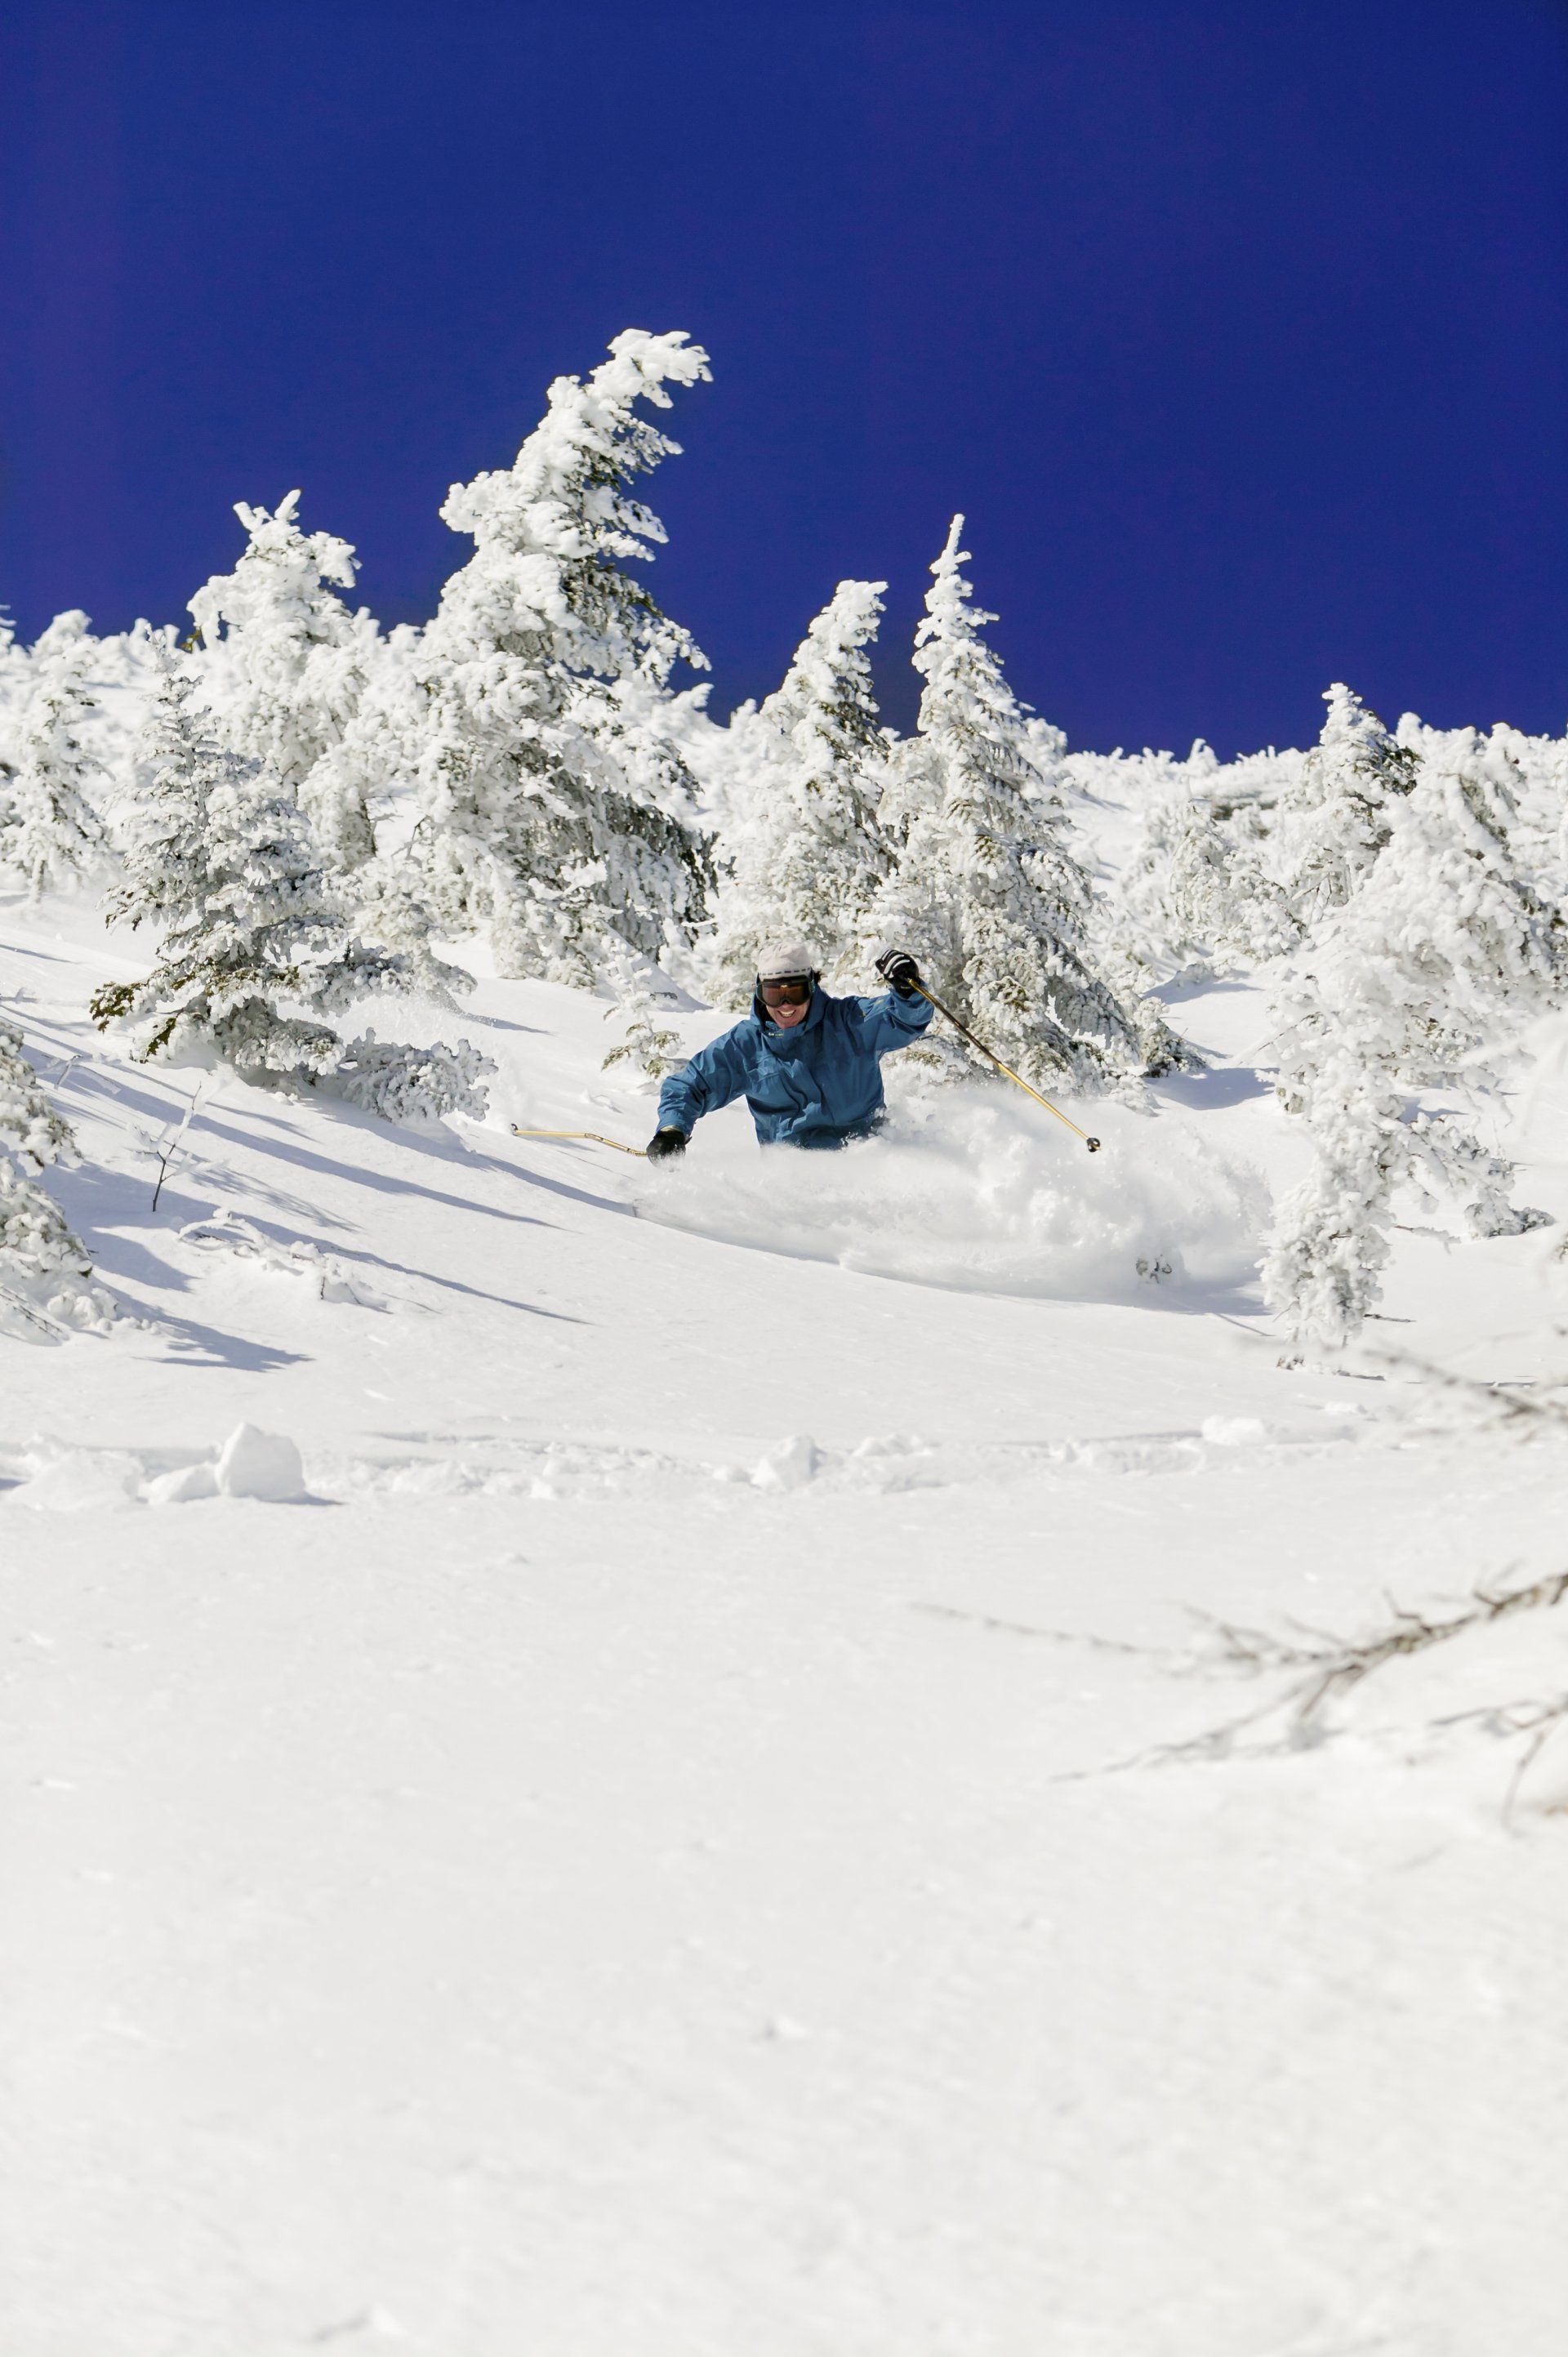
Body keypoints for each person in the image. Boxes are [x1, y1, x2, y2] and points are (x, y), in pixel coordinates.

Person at [646, 943, 933, 1158]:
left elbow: (900, 1020)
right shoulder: (745, 1046)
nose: (786, 1006)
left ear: (811, 987)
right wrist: (672, 1130)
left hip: (870, 1154)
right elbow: (691, 1086)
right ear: (760, 994)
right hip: (796, 1172)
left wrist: (907, 991)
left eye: (794, 993)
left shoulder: (849, 1022)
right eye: (774, 994)